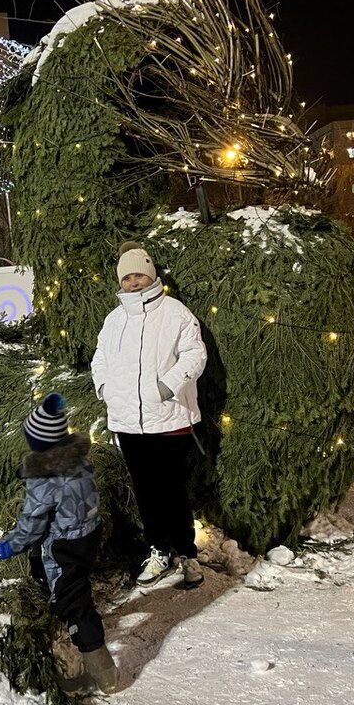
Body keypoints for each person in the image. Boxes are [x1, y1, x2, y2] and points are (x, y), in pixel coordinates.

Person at [92, 240, 207, 588]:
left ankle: (187, 554)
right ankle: (158, 551)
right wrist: (106, 390)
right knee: (145, 492)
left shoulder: (175, 313)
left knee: (172, 491)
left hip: (169, 420)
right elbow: (100, 360)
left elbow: (194, 355)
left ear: (151, 275)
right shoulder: (114, 320)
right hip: (129, 424)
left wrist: (166, 387)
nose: (134, 283)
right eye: (127, 278)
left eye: (139, 275)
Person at [0, 393, 117, 694]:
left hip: (65, 545)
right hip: (88, 534)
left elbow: (32, 523)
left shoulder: (45, 478)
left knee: (75, 602)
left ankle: (103, 673)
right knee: (74, 585)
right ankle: (62, 612)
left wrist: (10, 546)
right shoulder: (79, 460)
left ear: (38, 443)